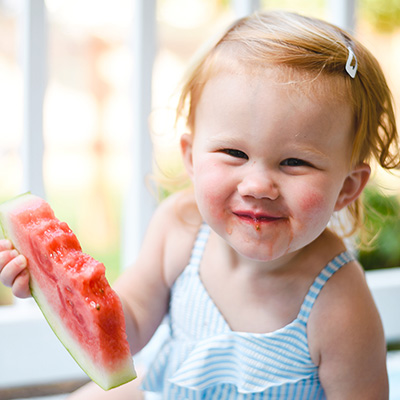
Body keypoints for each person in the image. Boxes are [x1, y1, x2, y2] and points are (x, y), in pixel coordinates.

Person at [1, 10, 398, 400]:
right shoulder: (179, 229)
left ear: (347, 188)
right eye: (232, 152)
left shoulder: (338, 302)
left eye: (294, 162)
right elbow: (127, 326)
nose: (258, 185)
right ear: (191, 157)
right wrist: (54, 282)